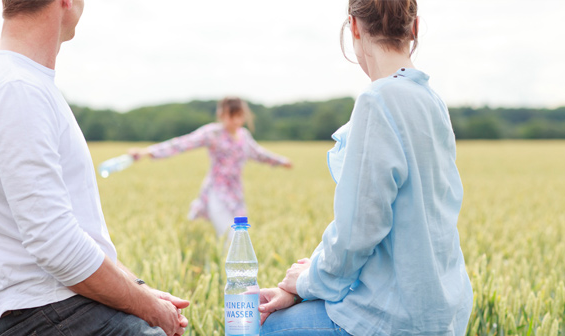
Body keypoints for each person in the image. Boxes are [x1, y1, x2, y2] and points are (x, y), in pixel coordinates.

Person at [0, 1, 188, 335]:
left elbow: (72, 228)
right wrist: (151, 309)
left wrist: (139, 287)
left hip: (60, 310)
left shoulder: (12, 80)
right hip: (57, 315)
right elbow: (56, 245)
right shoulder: (18, 90)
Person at [256, 0, 473, 335]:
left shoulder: (378, 101)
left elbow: (358, 232)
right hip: (443, 313)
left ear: (354, 26)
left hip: (394, 318)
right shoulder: (431, 100)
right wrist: (305, 283)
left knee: (260, 327)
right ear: (414, 29)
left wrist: (304, 284)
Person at [129, 97, 292, 240]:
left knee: (240, 236)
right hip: (217, 191)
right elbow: (182, 143)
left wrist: (281, 161)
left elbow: (259, 153)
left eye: (239, 116)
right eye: (231, 116)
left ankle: (225, 268)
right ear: (222, 115)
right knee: (229, 235)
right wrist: (145, 152)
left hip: (236, 193)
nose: (236, 121)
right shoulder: (213, 133)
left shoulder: (244, 136)